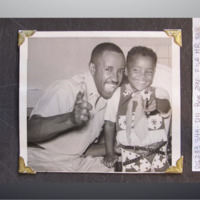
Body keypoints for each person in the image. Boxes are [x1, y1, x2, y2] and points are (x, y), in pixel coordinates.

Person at [27, 42, 125, 172]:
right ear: (93, 69)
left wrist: (114, 148)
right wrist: (71, 120)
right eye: (109, 69)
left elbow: (80, 150)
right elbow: (28, 132)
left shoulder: (107, 100)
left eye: (120, 71)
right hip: (42, 159)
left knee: (120, 173)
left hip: (76, 162)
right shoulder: (67, 89)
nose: (115, 78)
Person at [102, 46, 171, 173]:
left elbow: (166, 107)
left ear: (154, 72)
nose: (142, 76)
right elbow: (109, 123)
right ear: (127, 71)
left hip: (158, 158)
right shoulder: (117, 95)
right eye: (136, 70)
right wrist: (110, 152)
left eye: (148, 72)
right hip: (128, 158)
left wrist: (157, 104)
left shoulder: (159, 93)